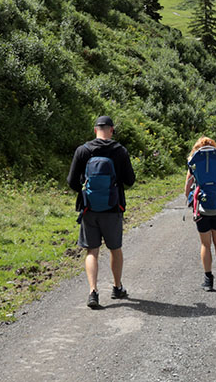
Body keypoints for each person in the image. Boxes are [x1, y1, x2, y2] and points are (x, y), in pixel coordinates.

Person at [67, 115, 135, 309]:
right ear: (112, 130)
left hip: (89, 209)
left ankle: (93, 292)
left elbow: (72, 182)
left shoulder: (83, 150)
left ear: (95, 129)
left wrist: (86, 188)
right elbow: (130, 180)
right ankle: (117, 287)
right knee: (115, 248)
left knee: (92, 251)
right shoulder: (120, 151)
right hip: (113, 209)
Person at [184, 137, 216, 291]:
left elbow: (187, 190)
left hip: (201, 209)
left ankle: (208, 279)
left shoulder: (194, 165)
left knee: (205, 244)